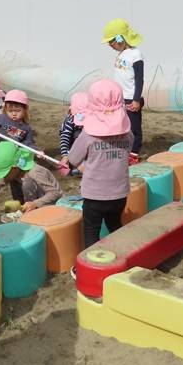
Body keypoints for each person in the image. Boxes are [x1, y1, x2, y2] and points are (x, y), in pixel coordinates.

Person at [65, 80, 132, 247]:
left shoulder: (87, 135)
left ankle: (92, 268)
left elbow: (73, 159)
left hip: (94, 197)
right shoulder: (128, 134)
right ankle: (123, 253)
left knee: (91, 231)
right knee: (115, 225)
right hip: (119, 195)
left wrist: (69, 161)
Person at [103, 18, 145, 163]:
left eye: (111, 41)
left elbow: (140, 79)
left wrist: (136, 99)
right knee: (122, 127)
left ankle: (133, 154)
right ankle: (124, 151)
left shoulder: (136, 55)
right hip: (120, 98)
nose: (109, 45)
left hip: (131, 98)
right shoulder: (121, 55)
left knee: (134, 129)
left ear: (120, 38)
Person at [0, 141, 62, 213]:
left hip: (52, 205)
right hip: (31, 203)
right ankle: (25, 208)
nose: (4, 176)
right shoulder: (14, 172)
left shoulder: (35, 172)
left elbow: (55, 193)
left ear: (14, 167)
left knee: (27, 183)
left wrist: (35, 204)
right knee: (15, 182)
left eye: (5, 173)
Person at [58, 92, 89, 166]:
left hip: (84, 141)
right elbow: (64, 138)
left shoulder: (90, 118)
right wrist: (65, 155)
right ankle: (73, 158)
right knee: (77, 135)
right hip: (72, 140)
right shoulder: (70, 121)